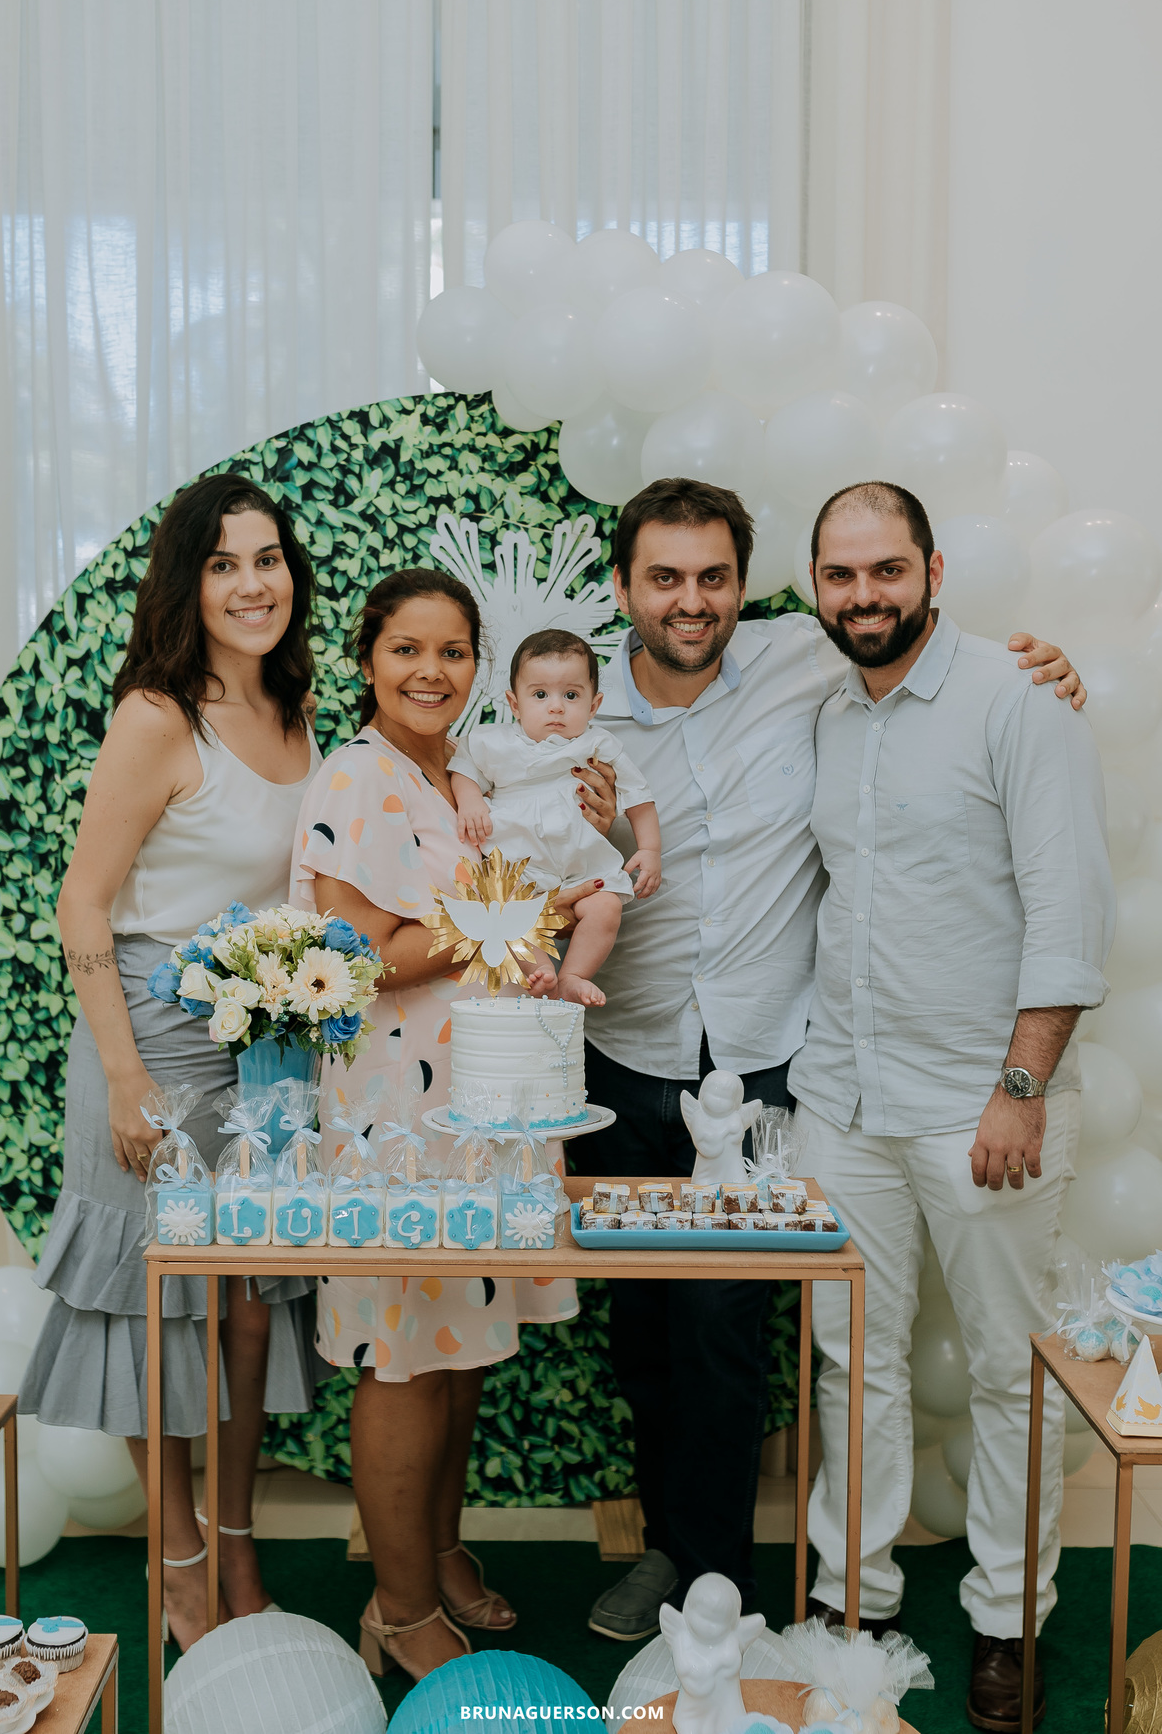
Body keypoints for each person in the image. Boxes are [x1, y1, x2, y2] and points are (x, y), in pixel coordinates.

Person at [568, 476, 1084, 1643]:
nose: (690, 601)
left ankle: (724, 1585)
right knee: (650, 1343)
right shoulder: (578, 706)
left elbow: (961, 711)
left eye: (712, 578)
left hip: (762, 1068)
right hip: (626, 1057)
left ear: (745, 588)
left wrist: (1046, 670)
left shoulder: (811, 661)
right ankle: (701, 1561)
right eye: (665, 578)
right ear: (624, 589)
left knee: (730, 1337)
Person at [787, 481, 1113, 1733]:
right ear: (815, 587)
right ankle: (851, 1600)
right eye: (840, 576)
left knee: (1006, 1371)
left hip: (986, 1103)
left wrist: (1020, 1087)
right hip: (844, 1100)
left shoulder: (1021, 700)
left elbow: (1068, 914)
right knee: (846, 1362)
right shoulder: (825, 708)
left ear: (930, 567)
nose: (864, 596)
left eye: (885, 572)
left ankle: (1006, 1621)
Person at [19, 473, 322, 1651]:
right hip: (150, 1035)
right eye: (226, 563)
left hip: (268, 1048)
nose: (254, 584)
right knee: (160, 1307)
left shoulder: (298, 710)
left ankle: (241, 1543)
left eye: (269, 559)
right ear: (188, 583)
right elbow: (82, 903)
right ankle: (179, 1555)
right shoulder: (158, 714)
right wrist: (126, 1074)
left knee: (251, 1305)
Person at [289, 568, 600, 1682]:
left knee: (461, 1350)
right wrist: (517, 916)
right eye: (407, 650)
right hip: (396, 1119)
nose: (431, 671)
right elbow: (363, 955)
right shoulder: (361, 777)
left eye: (454, 651)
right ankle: (400, 1602)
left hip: (480, 1105)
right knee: (404, 1358)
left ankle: (438, 1547)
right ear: (368, 659)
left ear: (480, 663)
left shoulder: (459, 774)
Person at [448, 627, 662, 1006]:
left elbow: (638, 796)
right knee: (506, 909)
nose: (556, 707)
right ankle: (540, 972)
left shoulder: (598, 744)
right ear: (515, 705)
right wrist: (471, 801)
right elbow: (464, 770)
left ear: (593, 706)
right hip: (519, 866)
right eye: (540, 695)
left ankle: (573, 975)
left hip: (581, 865)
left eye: (571, 695)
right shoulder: (492, 742)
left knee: (606, 905)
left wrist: (650, 848)